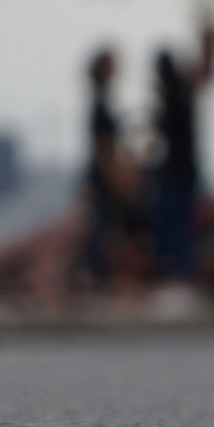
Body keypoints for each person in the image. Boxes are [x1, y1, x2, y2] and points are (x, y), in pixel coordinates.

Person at [150, 21, 214, 305]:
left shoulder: (172, 97)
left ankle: (178, 275)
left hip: (176, 170)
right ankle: (179, 274)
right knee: (180, 223)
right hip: (185, 167)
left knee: (174, 224)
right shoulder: (182, 93)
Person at [79, 45, 143, 291]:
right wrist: (115, 178)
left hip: (105, 175)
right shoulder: (99, 106)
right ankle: (93, 276)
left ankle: (97, 275)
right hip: (103, 178)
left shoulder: (103, 102)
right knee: (101, 228)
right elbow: (103, 148)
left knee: (104, 227)